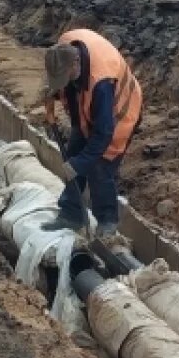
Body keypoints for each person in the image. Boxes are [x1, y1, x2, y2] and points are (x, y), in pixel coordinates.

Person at [40, 30, 142, 237]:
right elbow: (63, 84)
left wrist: (80, 164)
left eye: (64, 78)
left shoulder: (101, 83)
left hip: (118, 115)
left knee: (99, 166)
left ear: (75, 65)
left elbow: (103, 134)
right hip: (86, 107)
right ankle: (71, 214)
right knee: (74, 154)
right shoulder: (63, 50)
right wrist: (53, 93)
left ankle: (107, 223)